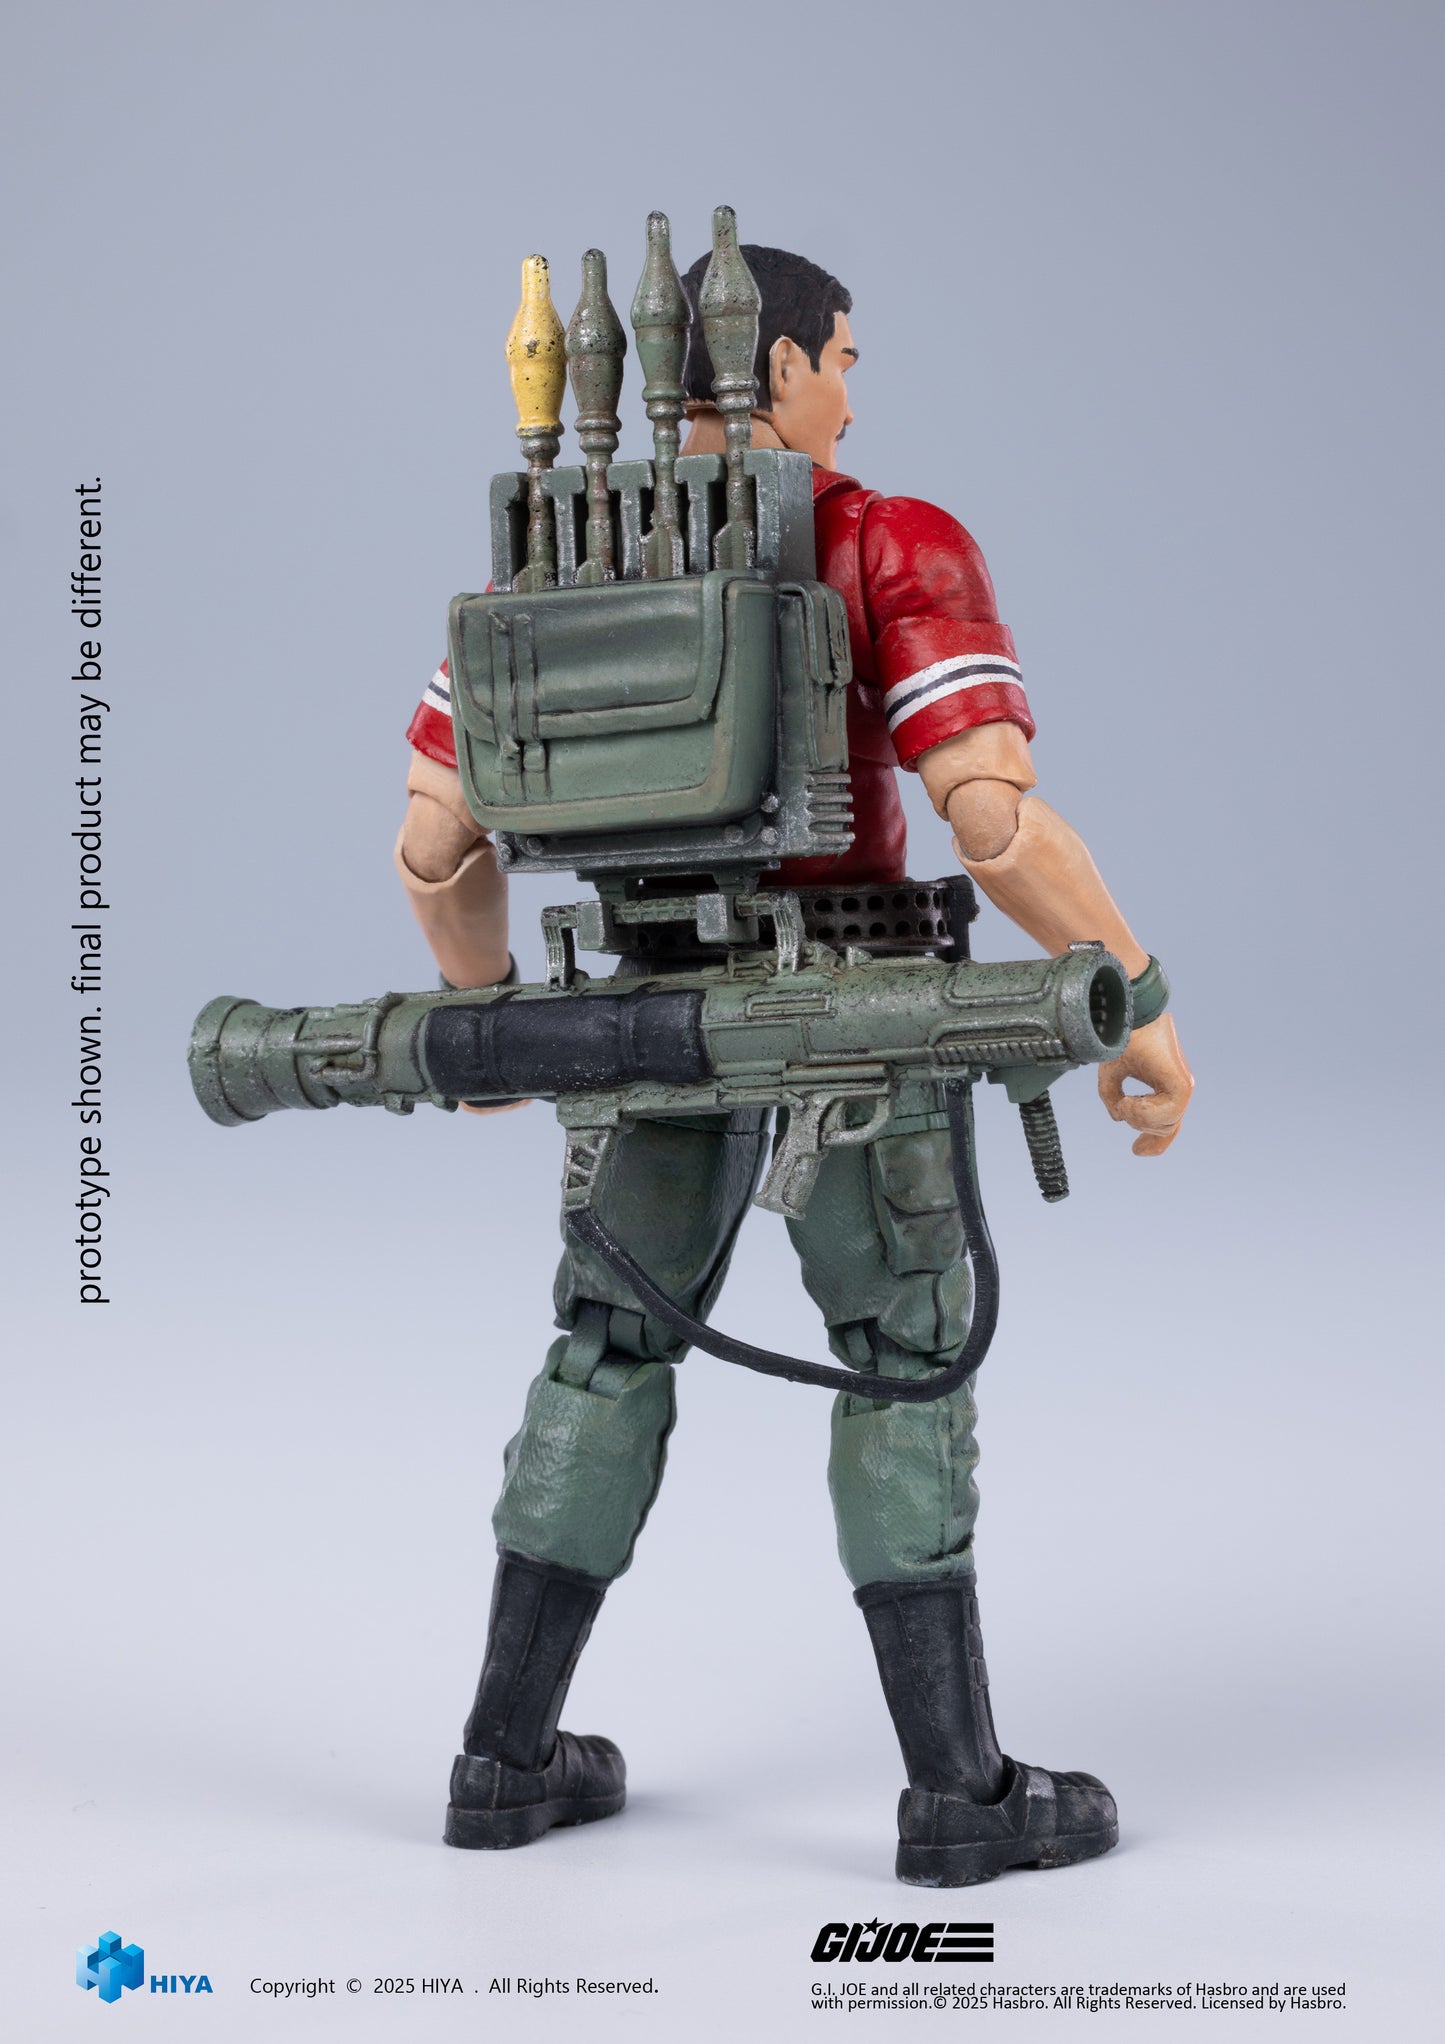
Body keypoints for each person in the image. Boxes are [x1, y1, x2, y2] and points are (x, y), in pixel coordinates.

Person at [395, 247, 1194, 1886]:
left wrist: (484, 1023)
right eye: (842, 359)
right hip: (855, 1015)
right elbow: (990, 819)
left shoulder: (550, 560)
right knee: (901, 1358)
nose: (849, 391)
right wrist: (1135, 996)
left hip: (640, 1017)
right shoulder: (885, 537)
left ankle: (501, 1759)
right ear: (785, 368)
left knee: (604, 1355)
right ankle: (958, 1794)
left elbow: (432, 844)